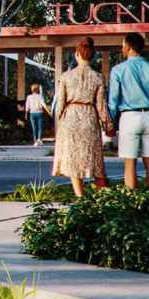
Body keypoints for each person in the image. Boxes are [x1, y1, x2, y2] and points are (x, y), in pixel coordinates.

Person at [52, 38, 113, 197]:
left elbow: (59, 105)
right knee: (93, 156)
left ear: (77, 54)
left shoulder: (66, 76)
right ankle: (102, 195)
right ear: (92, 56)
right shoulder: (98, 77)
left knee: (73, 158)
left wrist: (58, 123)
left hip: (70, 118)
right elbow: (102, 105)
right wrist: (107, 124)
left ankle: (80, 196)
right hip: (90, 117)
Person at [109, 31, 149, 190]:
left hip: (129, 117)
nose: (122, 48)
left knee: (130, 162)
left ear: (128, 47)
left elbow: (113, 101)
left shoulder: (118, 70)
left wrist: (112, 122)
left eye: (122, 45)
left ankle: (131, 203)